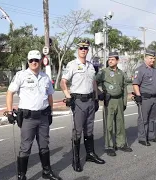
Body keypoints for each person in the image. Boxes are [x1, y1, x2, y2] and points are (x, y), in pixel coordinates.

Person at [6, 50, 61, 180]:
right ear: (28, 61)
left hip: (43, 117)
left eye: (36, 60)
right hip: (28, 118)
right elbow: (9, 93)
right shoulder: (21, 75)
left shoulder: (45, 77)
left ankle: (46, 172)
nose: (34, 63)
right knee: (25, 147)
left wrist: (50, 112)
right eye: (31, 60)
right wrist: (9, 112)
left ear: (40, 61)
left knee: (44, 145)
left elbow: (50, 96)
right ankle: (21, 175)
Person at [60, 39, 104, 172]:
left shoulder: (90, 66)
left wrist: (96, 99)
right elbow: (63, 82)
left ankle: (90, 154)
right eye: (81, 48)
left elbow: (94, 82)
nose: (83, 50)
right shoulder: (72, 65)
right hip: (78, 102)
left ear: (88, 50)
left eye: (85, 48)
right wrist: (68, 97)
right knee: (78, 132)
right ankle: (76, 159)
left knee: (89, 130)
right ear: (77, 50)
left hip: (90, 101)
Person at [96, 52, 132, 156]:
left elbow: (124, 87)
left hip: (119, 100)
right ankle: (109, 146)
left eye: (112, 59)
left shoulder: (121, 73)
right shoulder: (103, 72)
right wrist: (101, 93)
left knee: (120, 123)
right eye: (109, 59)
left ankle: (121, 143)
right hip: (109, 101)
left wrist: (124, 102)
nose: (110, 61)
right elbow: (94, 83)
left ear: (117, 61)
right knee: (109, 124)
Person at [132, 50, 156, 146]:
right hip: (145, 98)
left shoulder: (155, 70)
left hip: (154, 98)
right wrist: (138, 96)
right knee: (143, 119)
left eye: (154, 58)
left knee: (152, 118)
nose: (152, 60)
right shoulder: (140, 70)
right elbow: (135, 84)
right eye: (150, 58)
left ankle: (151, 136)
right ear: (145, 58)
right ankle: (142, 138)